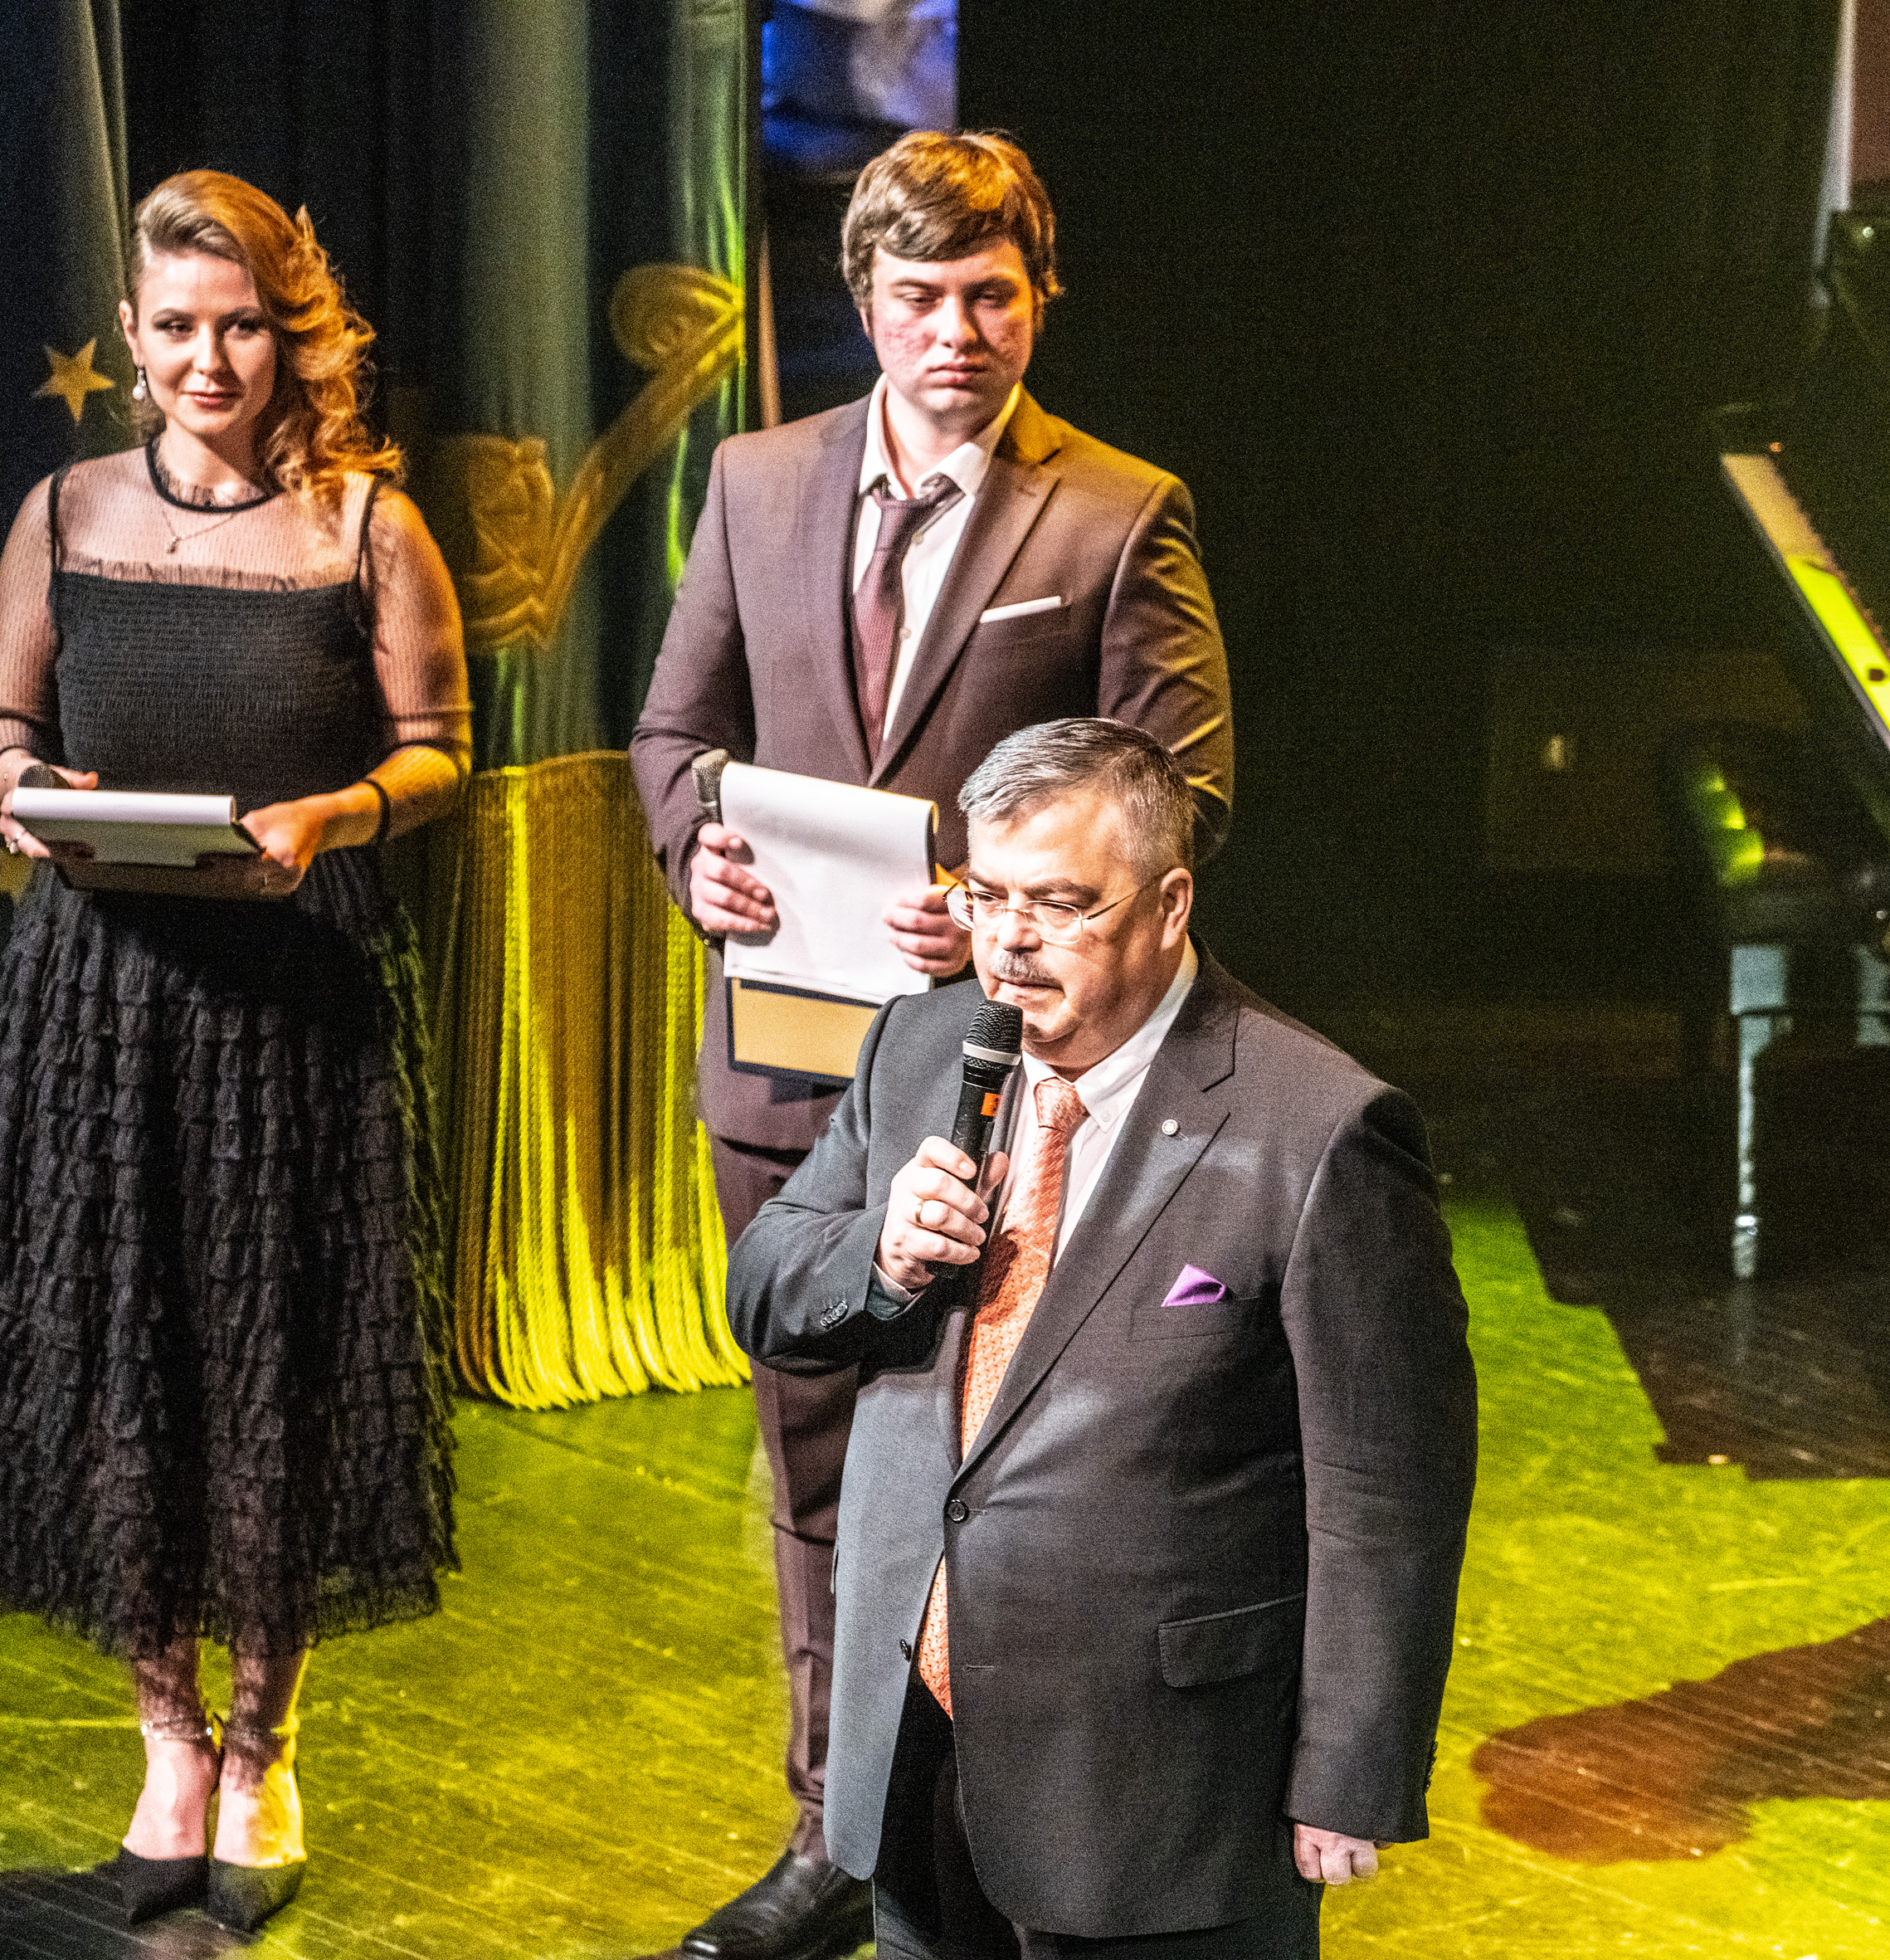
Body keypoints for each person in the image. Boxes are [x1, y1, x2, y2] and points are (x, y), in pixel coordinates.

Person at [629, 132, 1232, 1960]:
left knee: (995, 1463)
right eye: (918, 296)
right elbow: (673, 733)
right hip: (785, 1063)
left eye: (989, 294)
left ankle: (1005, 1819)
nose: (954, 331)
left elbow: (1184, 790)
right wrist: (695, 847)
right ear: (864, 302)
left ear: (1039, 298)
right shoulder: (754, 479)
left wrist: (998, 901)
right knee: (814, 1466)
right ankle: (838, 1823)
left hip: (1009, 1080)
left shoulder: (1116, 512)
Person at [729, 719, 1474, 1960]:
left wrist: (1352, 1768)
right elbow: (765, 1285)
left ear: (1170, 905)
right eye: (986, 896)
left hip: (1155, 1797)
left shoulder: (1318, 1128)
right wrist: (881, 1252)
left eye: (1062, 905)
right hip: (916, 1749)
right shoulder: (920, 1046)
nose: (1009, 940)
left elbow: (1387, 1484)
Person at [0, 169, 468, 1933]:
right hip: (102, 1004)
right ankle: (164, 1742)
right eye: (176, 326)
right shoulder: (63, 510)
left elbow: (440, 746)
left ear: (289, 333)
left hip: (289, 1006)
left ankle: (264, 1747)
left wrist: (340, 811)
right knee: (128, 1377)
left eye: (241, 325)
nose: (208, 360)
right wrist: (22, 787)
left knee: (271, 1387)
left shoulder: (367, 527)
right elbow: (2, 717)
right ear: (130, 333)